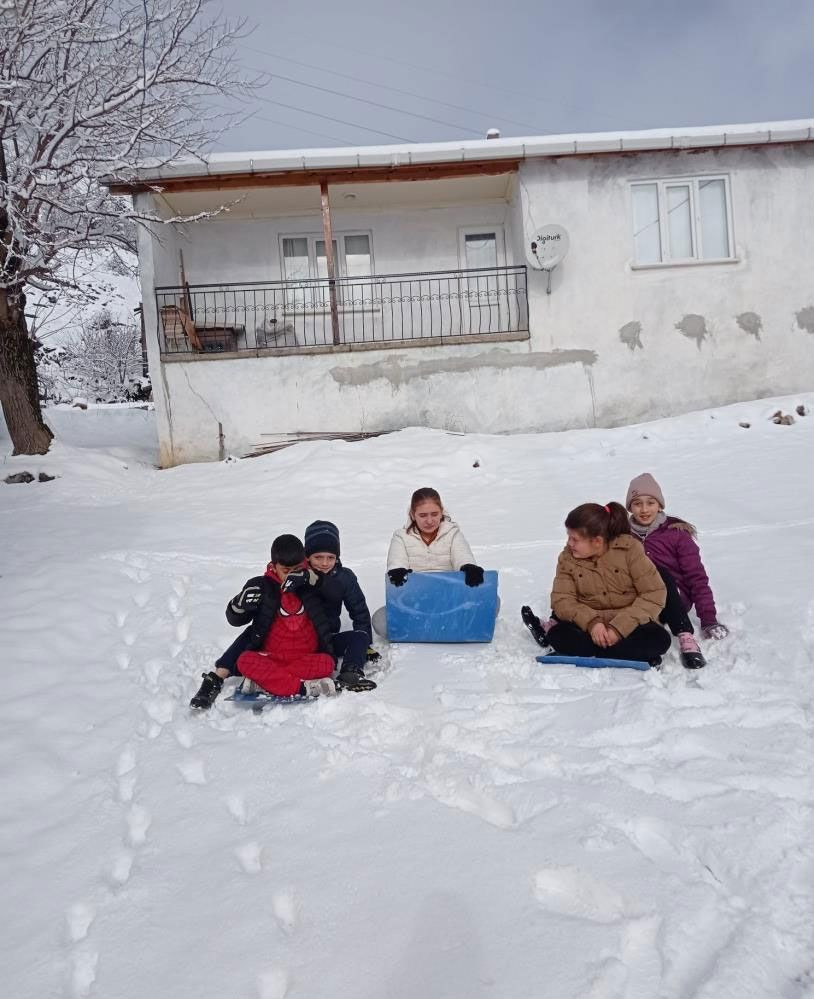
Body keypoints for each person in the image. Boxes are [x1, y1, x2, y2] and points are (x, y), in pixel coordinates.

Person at [189, 534, 338, 709]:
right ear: (274, 567)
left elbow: (335, 593)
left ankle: (265, 682)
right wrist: (239, 605)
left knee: (327, 663)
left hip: (305, 657)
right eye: (286, 570)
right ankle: (302, 688)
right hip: (272, 657)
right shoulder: (261, 585)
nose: (291, 575)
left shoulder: (312, 583)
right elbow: (236, 620)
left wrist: (309, 578)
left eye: (297, 569)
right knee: (245, 661)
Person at [522, 502, 671, 665]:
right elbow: (562, 600)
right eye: (569, 537)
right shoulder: (567, 558)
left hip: (629, 625)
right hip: (587, 627)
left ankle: (597, 651)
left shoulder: (629, 551)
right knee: (557, 635)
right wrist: (592, 623)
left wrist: (618, 629)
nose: (569, 543)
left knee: (660, 639)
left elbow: (654, 593)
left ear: (597, 541)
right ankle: (626, 653)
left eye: (575, 539)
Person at [626, 472, 728, 669]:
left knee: (659, 574)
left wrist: (709, 619)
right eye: (637, 503)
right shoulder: (624, 535)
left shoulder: (676, 533)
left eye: (650, 503)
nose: (644, 509)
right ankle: (643, 649)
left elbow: (696, 577)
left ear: (659, 505)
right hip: (641, 598)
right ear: (630, 507)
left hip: (674, 600)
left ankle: (685, 635)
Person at [303, 520, 377, 692]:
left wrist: (364, 646)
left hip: (329, 638)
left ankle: (351, 672)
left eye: (330, 557)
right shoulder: (299, 576)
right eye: (318, 557)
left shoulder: (345, 577)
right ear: (307, 556)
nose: (324, 563)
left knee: (360, 637)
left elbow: (359, 611)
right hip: (301, 640)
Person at [386, 487, 484, 584]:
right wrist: (397, 570)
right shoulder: (401, 537)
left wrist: (468, 566)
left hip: (449, 589)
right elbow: (397, 561)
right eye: (423, 515)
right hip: (415, 590)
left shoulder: (453, 534)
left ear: (441, 512)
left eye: (434, 514)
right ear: (412, 515)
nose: (429, 521)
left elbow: (462, 556)